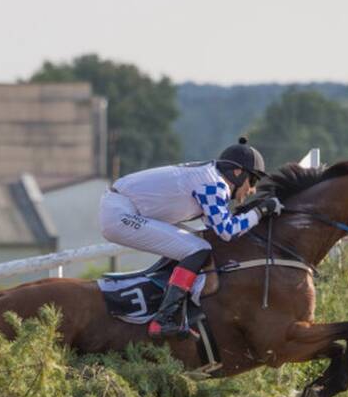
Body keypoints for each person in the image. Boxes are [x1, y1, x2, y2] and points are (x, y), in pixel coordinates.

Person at [99, 137, 283, 337]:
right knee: (198, 248)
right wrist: (260, 212)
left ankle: (169, 303)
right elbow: (228, 232)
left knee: (196, 243)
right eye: (253, 180)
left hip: (123, 207)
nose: (253, 189)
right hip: (120, 213)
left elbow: (217, 230)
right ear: (238, 173)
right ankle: (164, 318)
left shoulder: (210, 176)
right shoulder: (215, 184)